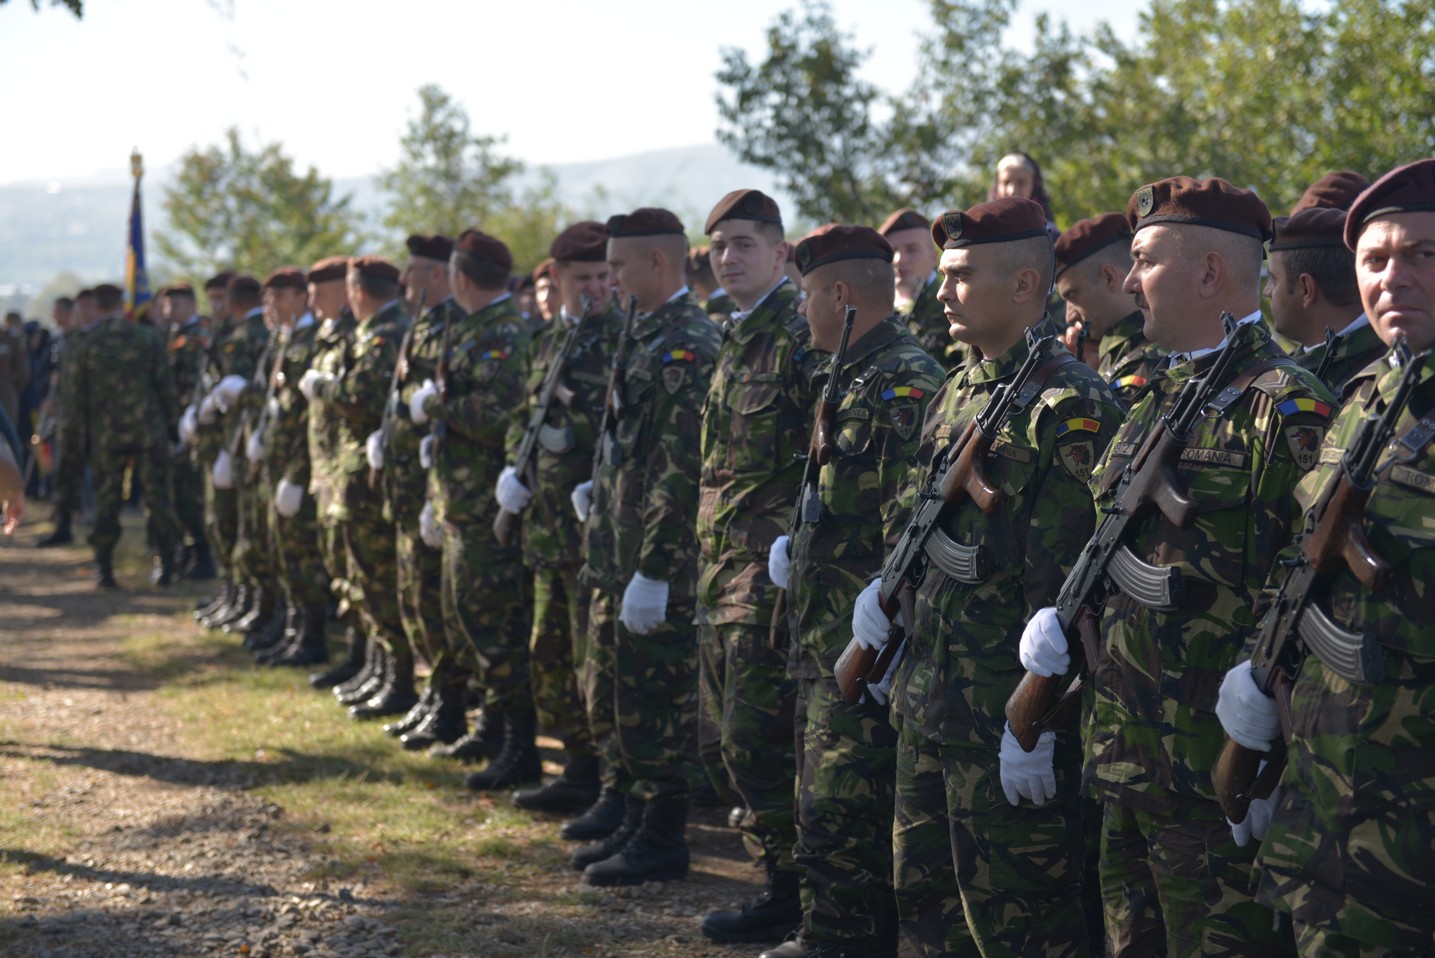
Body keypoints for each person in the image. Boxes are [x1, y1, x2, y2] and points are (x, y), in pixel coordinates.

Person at [1020, 176, 1335, 957]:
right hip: (1124, 754)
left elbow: (1311, 582)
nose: (1126, 283)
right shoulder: (1149, 393)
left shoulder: (1283, 405)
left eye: (1143, 261)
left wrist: (1266, 732)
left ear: (1207, 274)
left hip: (1208, 768)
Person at [846, 198, 1119, 956]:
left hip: (1004, 718)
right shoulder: (960, 387)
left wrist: (1034, 724)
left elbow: (1076, 593)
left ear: (1026, 283)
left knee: (1018, 923)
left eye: (961, 276)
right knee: (925, 910)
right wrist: (884, 599)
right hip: (928, 705)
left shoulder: (1070, 408)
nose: (939, 289)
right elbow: (917, 522)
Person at [1217, 157, 1435, 958]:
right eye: (1373, 260)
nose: (1390, 278)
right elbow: (1303, 563)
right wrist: (1257, 674)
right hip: (1326, 810)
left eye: (1421, 255)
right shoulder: (1365, 398)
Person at [767, 225, 945, 958]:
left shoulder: (905, 382)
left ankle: (847, 938)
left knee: (848, 808)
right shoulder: (844, 372)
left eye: (807, 294)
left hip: (866, 641)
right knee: (822, 802)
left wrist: (886, 629)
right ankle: (827, 930)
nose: (800, 310)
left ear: (841, 296)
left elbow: (905, 522)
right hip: (823, 630)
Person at [565, 207, 719, 886]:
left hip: (657, 560)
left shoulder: (685, 342)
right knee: (616, 693)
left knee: (655, 701)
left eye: (619, 267)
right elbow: (629, 445)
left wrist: (654, 568)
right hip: (617, 548)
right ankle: (629, 808)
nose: (611, 279)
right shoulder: (644, 330)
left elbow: (678, 468)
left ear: (657, 264)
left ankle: (661, 833)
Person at [697, 188, 821, 944]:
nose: (727, 258)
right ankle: (776, 874)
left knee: (755, 736)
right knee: (723, 739)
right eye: (718, 246)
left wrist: (792, 541)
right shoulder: (734, 334)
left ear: (780, 253)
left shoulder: (797, 331)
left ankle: (793, 885)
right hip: (719, 566)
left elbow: (824, 449)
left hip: (766, 577)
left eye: (743, 243)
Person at [496, 222, 624, 814]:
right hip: (546, 530)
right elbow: (523, 418)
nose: (595, 288)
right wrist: (512, 473)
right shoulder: (549, 342)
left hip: (596, 535)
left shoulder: (623, 340)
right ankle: (575, 764)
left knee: (592, 661)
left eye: (603, 277)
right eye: (582, 280)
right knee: (547, 652)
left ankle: (608, 777)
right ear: (557, 280)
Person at [407, 230, 535, 787]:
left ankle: (518, 745)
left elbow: (496, 414)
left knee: (496, 631)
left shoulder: (504, 332)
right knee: (468, 625)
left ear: (459, 278)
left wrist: (433, 404)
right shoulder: (473, 328)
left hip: (489, 509)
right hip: (461, 502)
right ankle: (491, 726)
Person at [299, 257, 414, 719]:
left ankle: (397, 677)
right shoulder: (368, 331)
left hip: (368, 481)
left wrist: (325, 388)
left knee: (379, 582)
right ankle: (377, 667)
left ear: (357, 291)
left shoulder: (386, 333)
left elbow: (360, 397)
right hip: (345, 475)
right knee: (360, 579)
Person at [371, 234, 467, 750]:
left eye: (416, 271)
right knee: (414, 598)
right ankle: (433, 694)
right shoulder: (424, 324)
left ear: (439, 275)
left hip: (436, 487)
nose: (405, 281)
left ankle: (449, 703)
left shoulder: (452, 325)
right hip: (408, 485)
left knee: (433, 601)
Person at [70, 283, 179, 588]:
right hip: (148, 431)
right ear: (121, 304)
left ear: (99, 306)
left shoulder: (88, 343)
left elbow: (77, 397)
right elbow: (165, 386)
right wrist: (174, 427)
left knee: (107, 502)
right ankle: (168, 565)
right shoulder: (147, 337)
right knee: (158, 499)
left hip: (106, 435)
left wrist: (80, 437)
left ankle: (104, 569)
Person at [251, 268, 329, 667]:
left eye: (278, 297)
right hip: (278, 463)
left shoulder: (313, 340)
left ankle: (312, 637)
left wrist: (297, 475)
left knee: (302, 557)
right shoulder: (286, 339)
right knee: (282, 552)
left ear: (301, 296)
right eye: (267, 299)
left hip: (297, 467)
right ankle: (292, 629)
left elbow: (308, 420)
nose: (271, 306)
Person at [300, 258, 366, 692]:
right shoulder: (325, 334)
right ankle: (359, 660)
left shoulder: (352, 336)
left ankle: (368, 662)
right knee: (339, 567)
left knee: (362, 575)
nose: (311, 302)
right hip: (326, 469)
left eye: (319, 293)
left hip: (348, 471)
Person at [1053, 212, 1167, 407]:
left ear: (1109, 277)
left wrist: (1072, 380)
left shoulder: (1146, 361)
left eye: (1073, 295)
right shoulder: (1118, 356)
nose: (1069, 316)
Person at [1266, 208, 1384, 395]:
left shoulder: (1389, 372)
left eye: (1274, 280)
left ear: (1306, 289)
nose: (1267, 292)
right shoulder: (1287, 369)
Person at [163, 283, 216, 579]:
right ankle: (187, 549)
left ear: (191, 306)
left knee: (191, 493)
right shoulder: (172, 336)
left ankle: (202, 555)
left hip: (192, 424)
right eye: (167, 305)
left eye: (176, 305)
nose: (169, 310)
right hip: (175, 423)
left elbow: (196, 381)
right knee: (177, 492)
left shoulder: (198, 337)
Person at [879, 207, 965, 372]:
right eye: (893, 251)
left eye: (912, 250)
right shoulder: (878, 312)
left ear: (933, 258)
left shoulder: (954, 304)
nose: (900, 260)